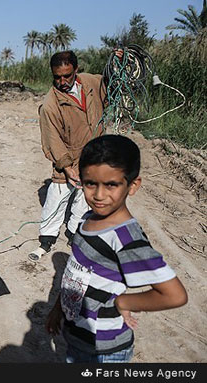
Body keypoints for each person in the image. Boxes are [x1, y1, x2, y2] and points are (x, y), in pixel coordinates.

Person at [46, 134, 187, 363]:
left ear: (132, 186)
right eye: (91, 183)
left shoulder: (126, 239)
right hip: (77, 338)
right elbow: (77, 274)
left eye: (111, 185)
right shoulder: (86, 219)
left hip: (105, 351)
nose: (99, 195)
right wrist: (58, 309)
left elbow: (174, 294)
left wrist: (124, 302)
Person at [29, 50, 110, 261]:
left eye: (67, 75)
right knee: (57, 197)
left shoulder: (92, 82)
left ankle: (75, 233)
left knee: (85, 198)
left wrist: (118, 62)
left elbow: (111, 84)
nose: (62, 81)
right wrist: (66, 167)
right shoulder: (50, 105)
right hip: (67, 157)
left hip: (94, 155)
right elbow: (52, 139)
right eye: (57, 77)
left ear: (76, 69)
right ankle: (46, 240)